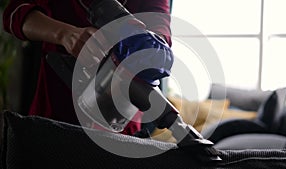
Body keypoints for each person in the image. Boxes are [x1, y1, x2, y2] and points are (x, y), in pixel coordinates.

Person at [3, 0, 172, 135]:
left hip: (119, 132)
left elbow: (161, 35)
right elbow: (14, 14)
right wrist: (64, 34)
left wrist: (140, 42)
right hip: (53, 119)